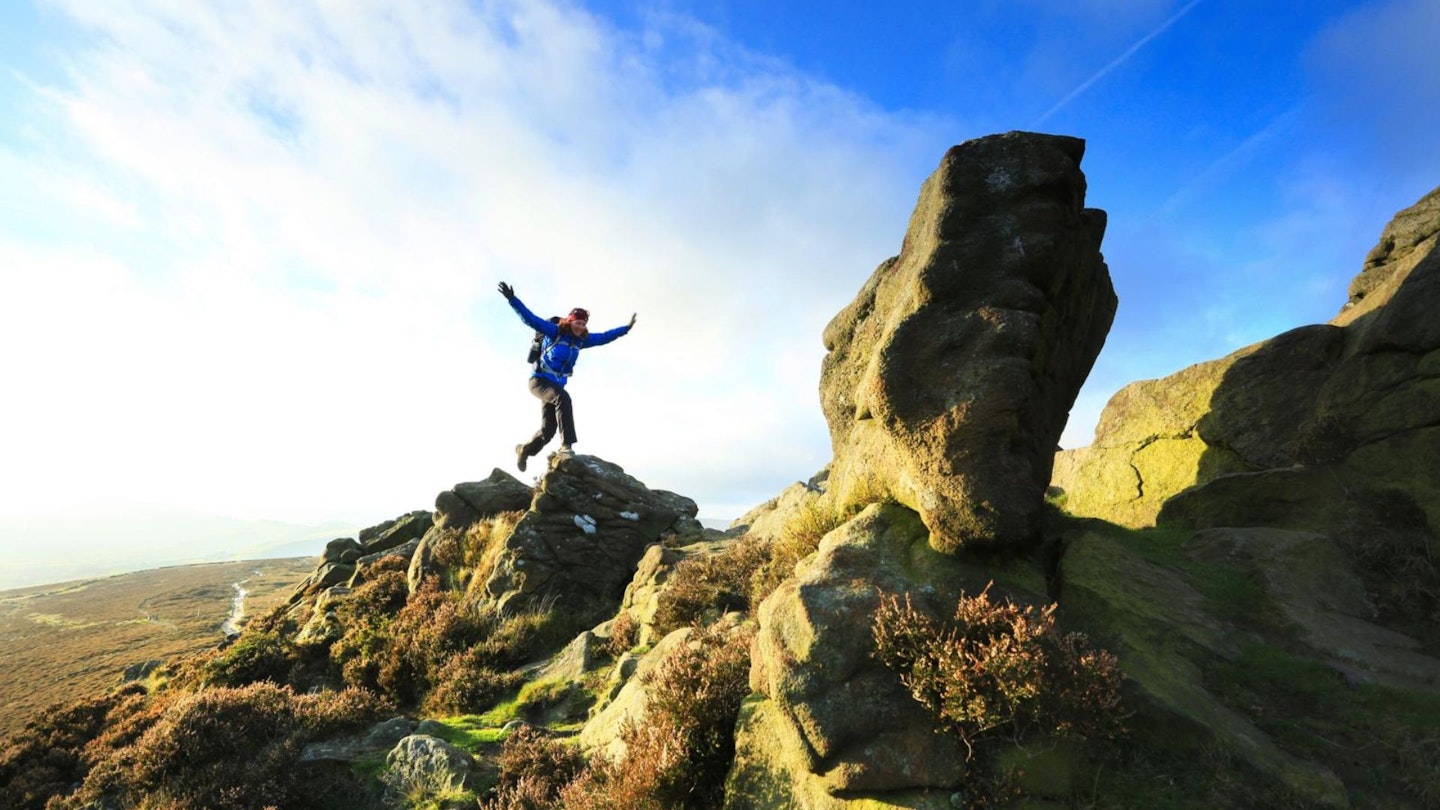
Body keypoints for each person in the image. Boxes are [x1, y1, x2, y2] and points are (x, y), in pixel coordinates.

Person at [498, 281, 636, 471]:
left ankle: (524, 450)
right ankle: (567, 447)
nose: (580, 327)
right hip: (539, 380)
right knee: (563, 399)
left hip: (555, 386)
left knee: (548, 431)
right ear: (569, 321)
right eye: (577, 323)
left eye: (583, 324)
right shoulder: (554, 331)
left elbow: (604, 337)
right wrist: (512, 299)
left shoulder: (581, 341)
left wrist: (625, 329)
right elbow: (530, 319)